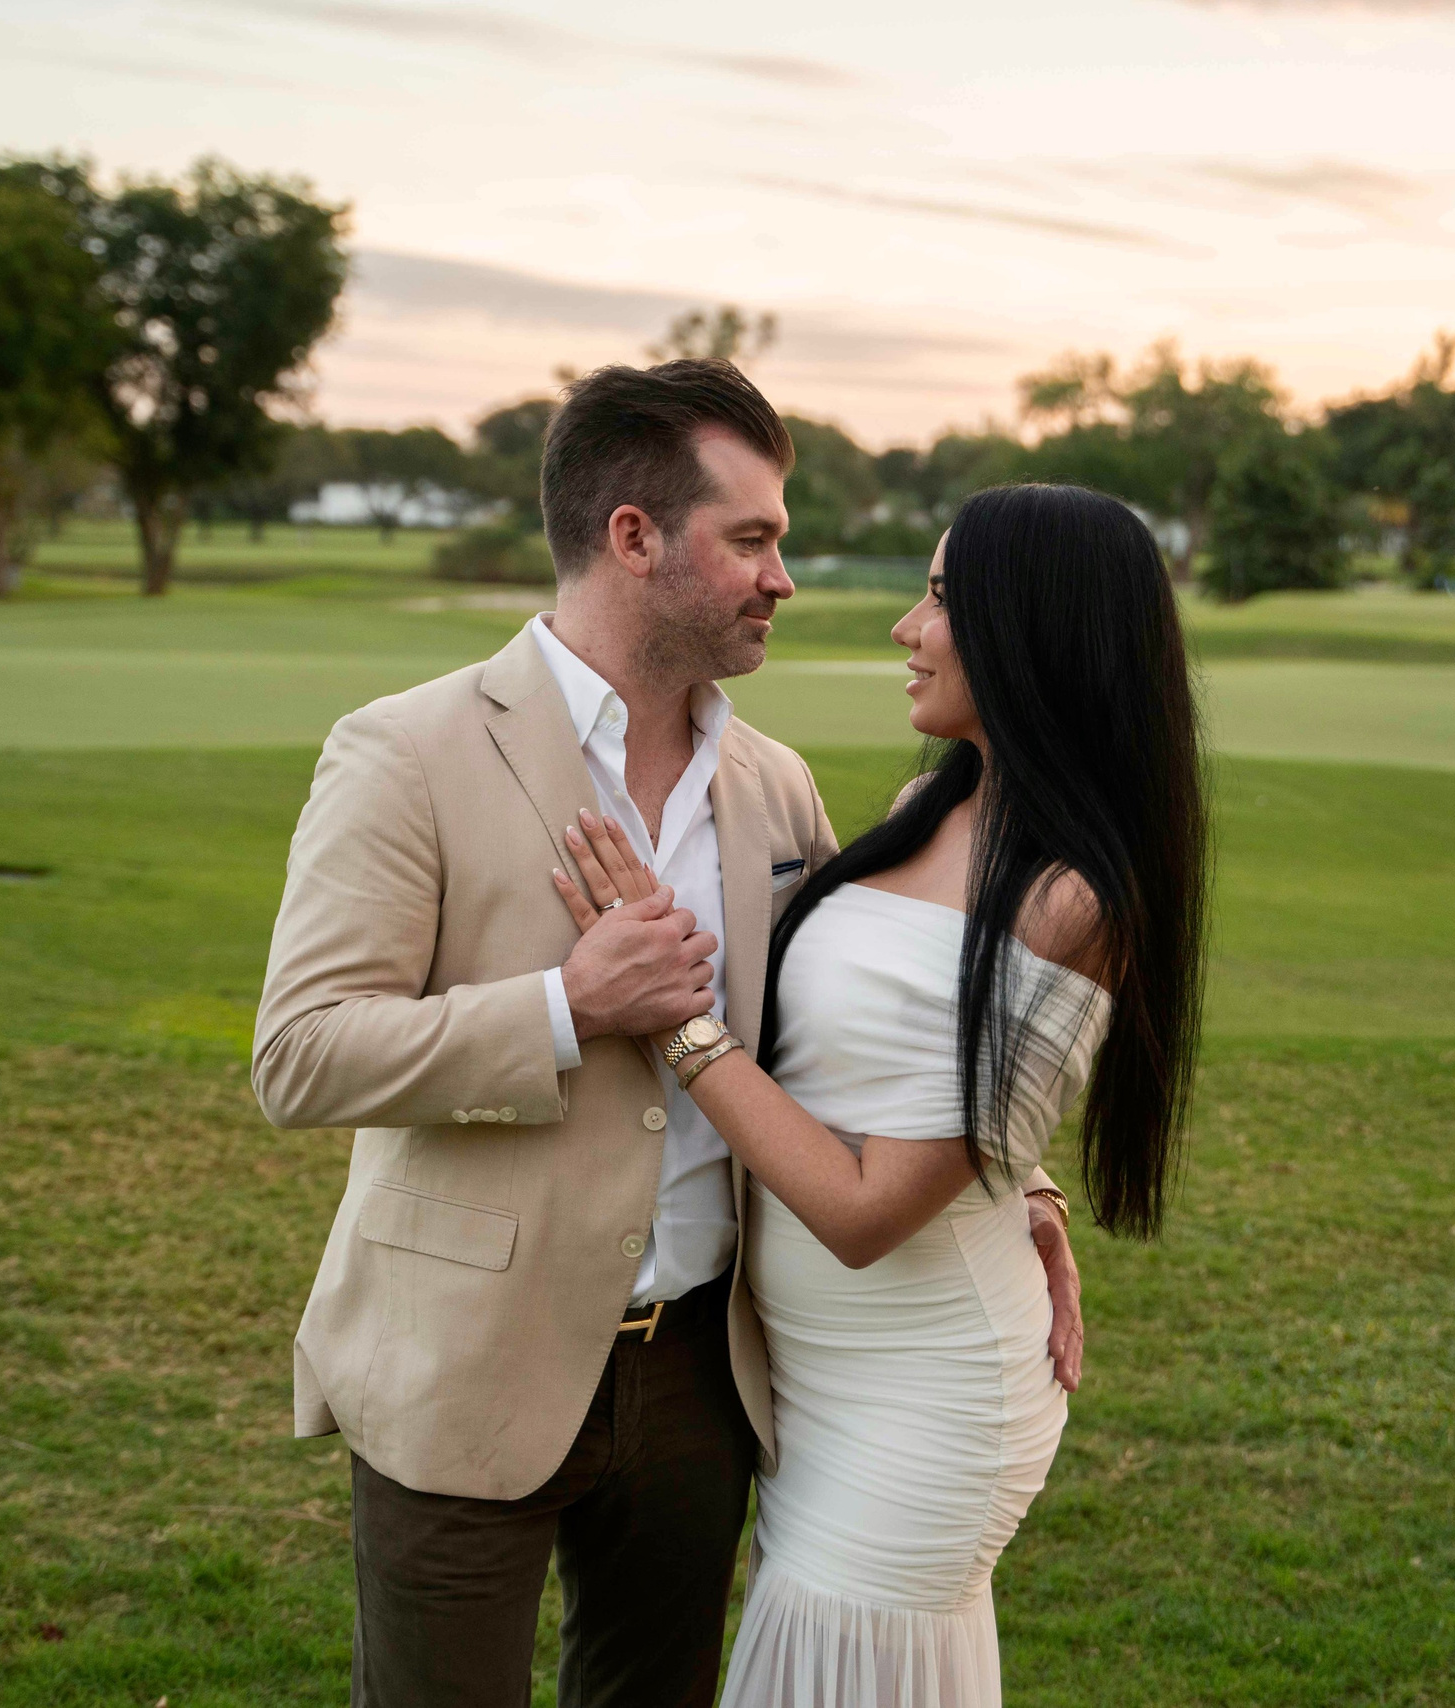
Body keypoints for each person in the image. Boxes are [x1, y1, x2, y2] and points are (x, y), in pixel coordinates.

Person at [249, 359, 1083, 1708]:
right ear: (635, 538)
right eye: (750, 539)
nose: (783, 578)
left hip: (706, 1369)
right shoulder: (404, 752)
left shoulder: (775, 786)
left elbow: (861, 1028)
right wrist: (568, 1009)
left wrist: (1020, 1178)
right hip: (466, 1352)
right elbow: (301, 1055)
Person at [548, 483, 1206, 1707]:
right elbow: (886, 1056)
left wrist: (673, 1024)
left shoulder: (1073, 895)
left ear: (1032, 626)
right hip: (815, 1382)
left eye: (944, 598)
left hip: (925, 1390)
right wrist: (1030, 1179)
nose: (908, 627)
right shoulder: (932, 805)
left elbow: (864, 1208)